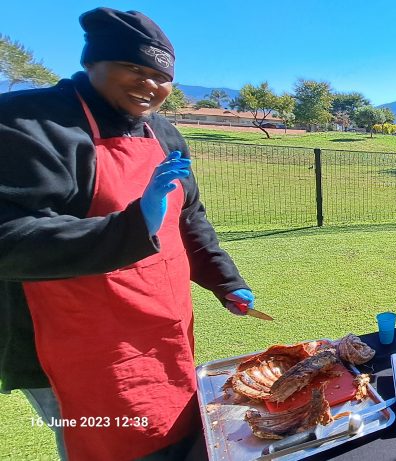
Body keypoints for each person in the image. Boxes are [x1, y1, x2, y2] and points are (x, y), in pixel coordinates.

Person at [0, 8, 255, 460]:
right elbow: (13, 240)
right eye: (133, 68)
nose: (149, 84)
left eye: (160, 75)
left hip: (160, 325)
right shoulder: (26, 122)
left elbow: (190, 218)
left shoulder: (164, 133)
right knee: (107, 444)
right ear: (92, 63)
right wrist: (134, 225)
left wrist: (225, 280)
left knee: (176, 435)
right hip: (74, 342)